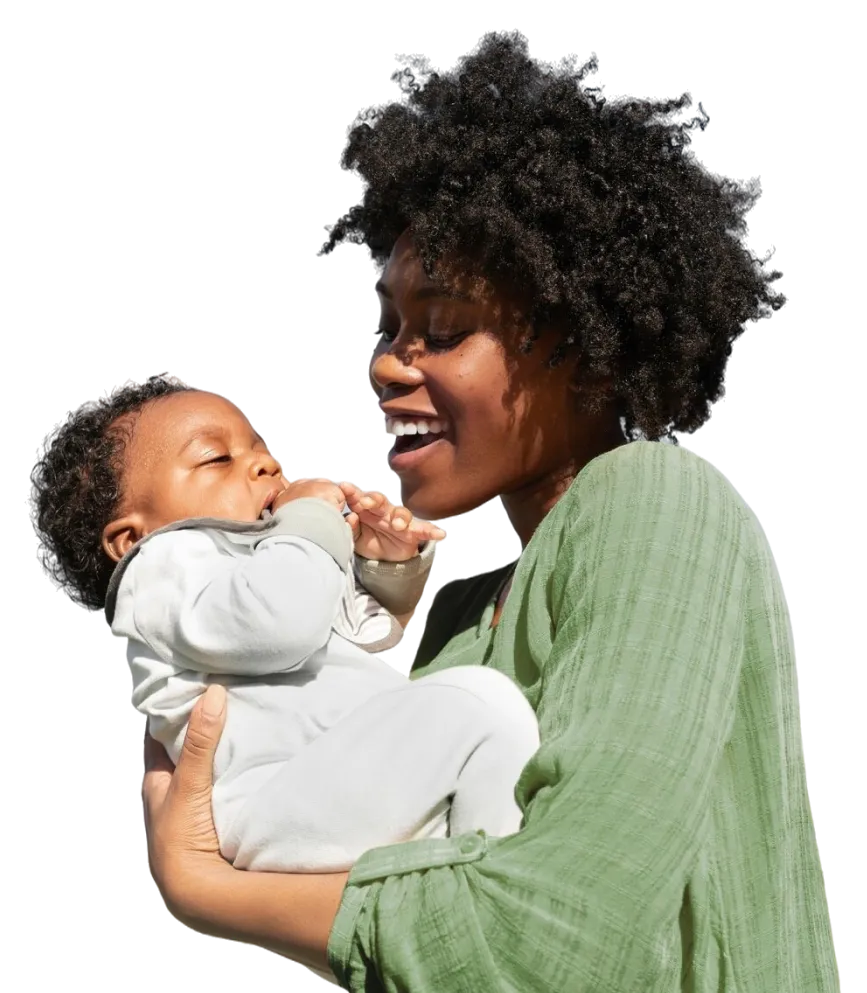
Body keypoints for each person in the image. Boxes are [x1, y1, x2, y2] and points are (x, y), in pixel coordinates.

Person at [139, 32, 837, 993]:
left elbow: (556, 939)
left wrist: (204, 885)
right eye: (387, 330)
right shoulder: (458, 618)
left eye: (443, 330)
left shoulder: (656, 501)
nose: (389, 365)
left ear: (590, 352)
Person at [35, 376, 541, 881]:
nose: (266, 463)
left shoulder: (275, 555)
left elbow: (367, 633)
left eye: (258, 447)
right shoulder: (161, 566)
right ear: (129, 538)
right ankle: (500, 891)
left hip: (340, 779)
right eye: (216, 458)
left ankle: (482, 882)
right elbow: (278, 626)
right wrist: (309, 519)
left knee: (481, 729)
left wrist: (386, 563)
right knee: (482, 705)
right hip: (277, 797)